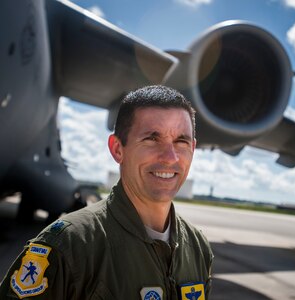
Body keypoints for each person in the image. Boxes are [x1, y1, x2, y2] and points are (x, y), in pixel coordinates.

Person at [0, 85, 214, 299]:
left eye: (181, 141)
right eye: (152, 139)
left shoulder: (198, 248)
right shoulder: (69, 246)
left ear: (193, 149)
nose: (170, 157)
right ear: (117, 149)